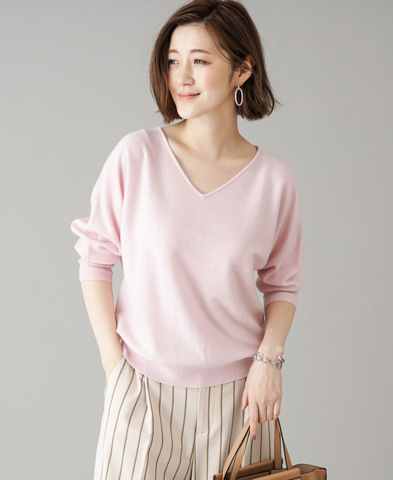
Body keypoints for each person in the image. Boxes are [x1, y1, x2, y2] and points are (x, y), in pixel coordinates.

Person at [70, 1, 304, 479]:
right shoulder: (136, 156)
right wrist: (115, 368)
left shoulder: (274, 182)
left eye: (200, 60)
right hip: (142, 392)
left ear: (242, 70)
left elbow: (282, 285)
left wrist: (269, 361)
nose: (182, 76)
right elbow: (95, 259)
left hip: (241, 401)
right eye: (173, 60)